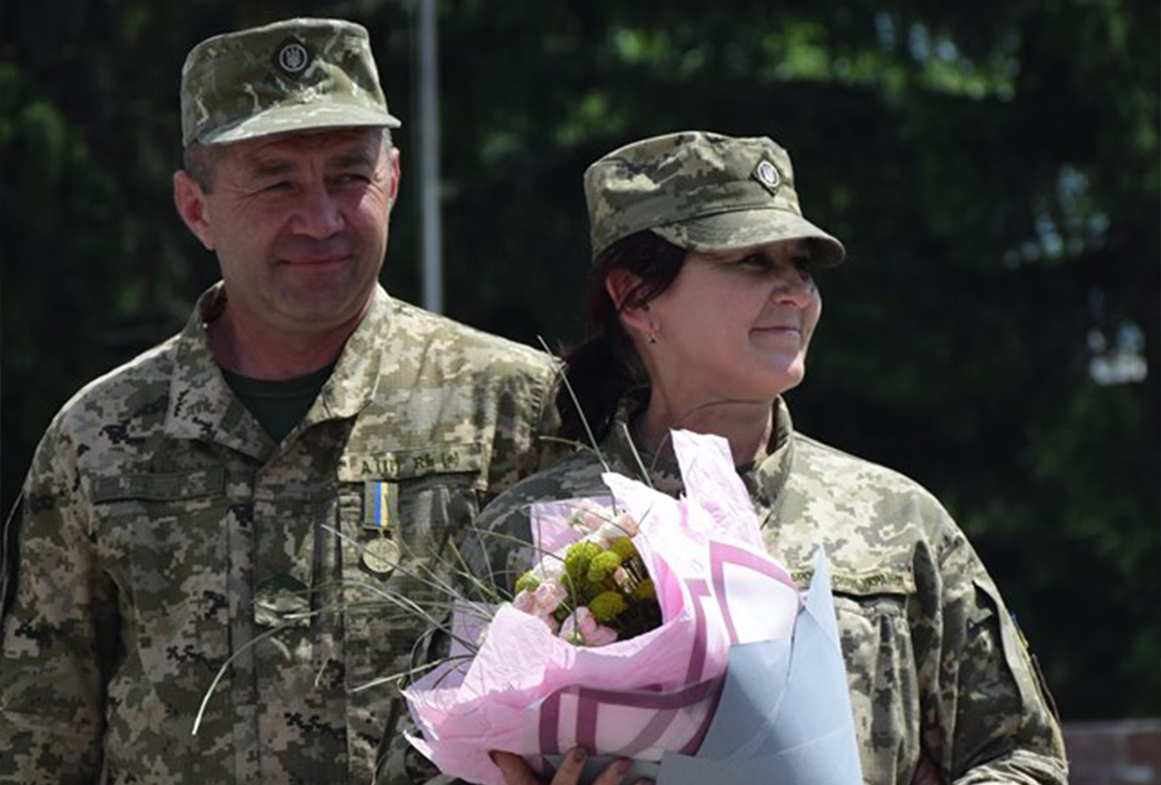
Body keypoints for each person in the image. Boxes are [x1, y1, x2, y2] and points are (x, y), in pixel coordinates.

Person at [0, 18, 562, 785]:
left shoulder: (516, 407)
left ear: (392, 180)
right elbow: (38, 731)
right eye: (277, 182)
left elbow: (592, 683)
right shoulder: (99, 437)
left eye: (348, 177)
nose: (322, 220)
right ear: (197, 209)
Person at [460, 131, 1070, 785]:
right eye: (753, 261)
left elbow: (1024, 756)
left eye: (801, 267)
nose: (794, 293)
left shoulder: (897, 521)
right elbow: (421, 762)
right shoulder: (525, 530)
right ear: (634, 295)